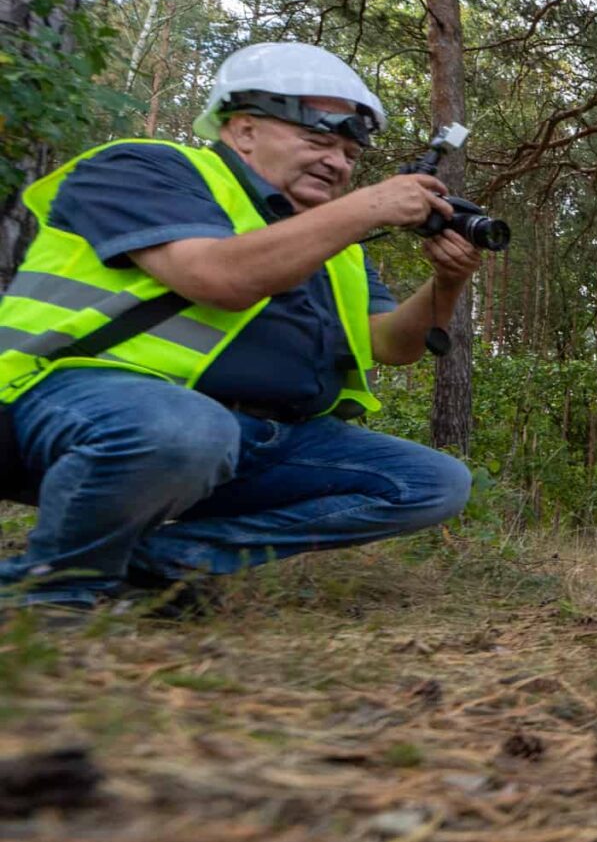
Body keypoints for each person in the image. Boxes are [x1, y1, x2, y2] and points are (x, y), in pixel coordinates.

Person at [0, 42, 478, 615]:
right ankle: (50, 591)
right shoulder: (145, 168)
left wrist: (446, 283)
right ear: (243, 129)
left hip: (250, 439)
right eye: (319, 140)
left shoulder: (328, 240)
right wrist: (367, 209)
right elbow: (214, 277)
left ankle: (162, 564)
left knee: (432, 483)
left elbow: (392, 345)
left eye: (351, 153)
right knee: (188, 428)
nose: (339, 164)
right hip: (58, 406)